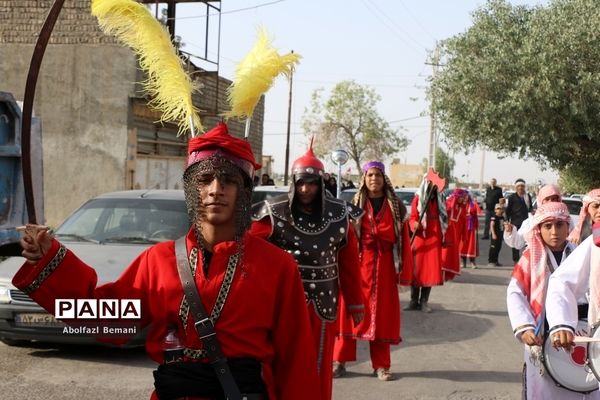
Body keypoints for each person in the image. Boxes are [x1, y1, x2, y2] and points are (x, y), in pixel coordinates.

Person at [14, 123, 321, 400]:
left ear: (244, 191)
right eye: (205, 179)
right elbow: (108, 319)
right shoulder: (157, 261)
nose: (216, 189)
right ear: (192, 188)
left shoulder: (278, 266)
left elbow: (297, 362)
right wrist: (50, 259)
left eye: (228, 180)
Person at [249, 141, 364, 400]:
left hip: (324, 301)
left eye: (311, 183)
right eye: (300, 183)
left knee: (319, 362)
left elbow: (348, 265)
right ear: (293, 181)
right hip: (283, 300)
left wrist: (356, 303)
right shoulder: (273, 212)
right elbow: (251, 255)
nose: (305, 189)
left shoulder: (339, 215)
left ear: (320, 183)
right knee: (283, 360)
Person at [332, 161, 413, 382]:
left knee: (383, 317)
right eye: (370, 175)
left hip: (385, 266)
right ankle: (339, 361)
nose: (374, 179)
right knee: (348, 314)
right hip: (357, 265)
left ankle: (381, 365)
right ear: (364, 179)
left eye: (377, 175)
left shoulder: (396, 206)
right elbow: (342, 238)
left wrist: (404, 272)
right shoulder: (353, 204)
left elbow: (404, 240)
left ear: (383, 178)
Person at [506, 201, 587, 399]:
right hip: (542, 334)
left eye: (559, 225)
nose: (554, 232)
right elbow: (515, 293)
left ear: (568, 226)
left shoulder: (580, 253)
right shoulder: (529, 258)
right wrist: (524, 327)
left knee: (581, 384)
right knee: (544, 390)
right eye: (547, 226)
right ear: (538, 228)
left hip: (580, 334)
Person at [399, 173, 448, 313]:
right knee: (416, 271)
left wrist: (445, 238)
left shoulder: (440, 201)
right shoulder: (418, 199)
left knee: (430, 273)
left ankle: (424, 302)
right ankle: (413, 301)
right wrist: (415, 224)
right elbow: (412, 218)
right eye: (431, 184)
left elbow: (445, 220)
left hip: (434, 240)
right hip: (420, 240)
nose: (433, 187)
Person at [504, 184, 565, 251]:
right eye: (547, 199)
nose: (550, 202)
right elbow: (518, 243)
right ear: (541, 201)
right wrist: (511, 231)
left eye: (553, 199)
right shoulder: (531, 222)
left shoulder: (566, 220)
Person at [442, 188, 468, 280]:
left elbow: (465, 223)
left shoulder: (463, 208)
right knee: (444, 253)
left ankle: (448, 274)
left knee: (452, 254)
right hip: (446, 233)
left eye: (463, 197)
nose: (463, 199)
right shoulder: (447, 204)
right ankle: (441, 273)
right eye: (461, 197)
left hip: (456, 236)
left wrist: (464, 235)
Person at [505, 178, 533, 263]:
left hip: (526, 223)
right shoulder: (512, 197)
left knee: (527, 242)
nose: (521, 188)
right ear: (516, 187)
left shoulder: (527, 197)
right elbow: (508, 210)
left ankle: (526, 260)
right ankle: (516, 261)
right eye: (519, 186)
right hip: (515, 223)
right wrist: (507, 221)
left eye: (522, 186)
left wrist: (533, 211)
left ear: (524, 187)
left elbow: (530, 208)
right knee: (515, 242)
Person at [460, 193, 480, 269]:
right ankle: (463, 261)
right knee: (462, 245)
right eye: (464, 197)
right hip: (463, 228)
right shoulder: (460, 205)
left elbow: (476, 216)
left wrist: (476, 226)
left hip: (471, 228)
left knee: (471, 245)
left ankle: (472, 262)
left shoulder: (473, 205)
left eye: (466, 197)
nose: (465, 198)